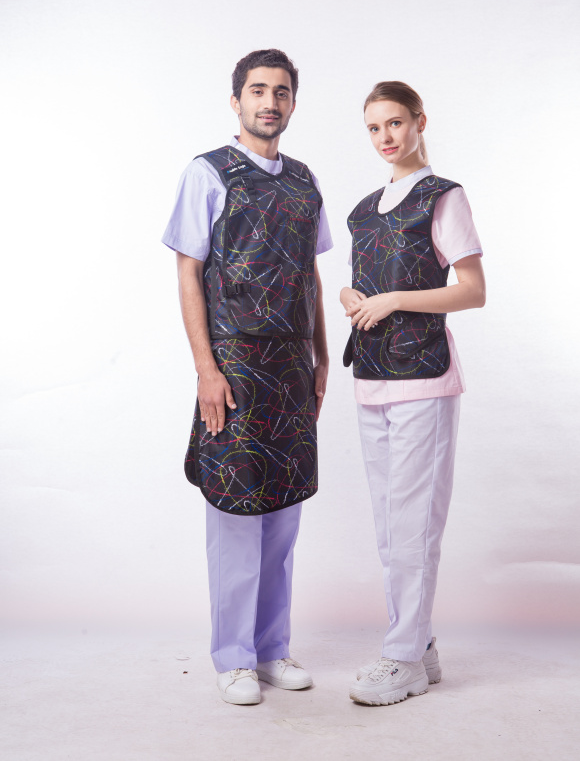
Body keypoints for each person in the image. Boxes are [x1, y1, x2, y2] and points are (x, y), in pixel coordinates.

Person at [162, 49, 332, 705]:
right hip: (233, 365)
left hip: (291, 366)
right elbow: (188, 270)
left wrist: (322, 358)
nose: (270, 101)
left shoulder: (304, 181)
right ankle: (232, 657)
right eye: (258, 90)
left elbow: (309, 273)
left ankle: (271, 649)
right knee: (234, 510)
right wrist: (205, 368)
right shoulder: (208, 172)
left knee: (283, 513)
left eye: (281, 91)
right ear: (236, 101)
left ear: (293, 103)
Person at [340, 81, 485, 707]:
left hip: (424, 376)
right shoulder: (363, 210)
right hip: (371, 375)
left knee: (414, 522)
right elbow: (365, 284)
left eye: (395, 123)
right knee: (388, 525)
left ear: (419, 121)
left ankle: (400, 659)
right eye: (374, 128)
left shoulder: (442, 197)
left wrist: (396, 299)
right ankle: (419, 645)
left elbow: (473, 290)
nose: (386, 137)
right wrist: (350, 297)